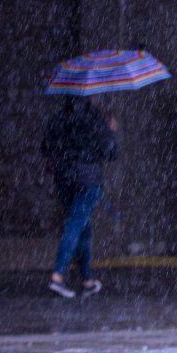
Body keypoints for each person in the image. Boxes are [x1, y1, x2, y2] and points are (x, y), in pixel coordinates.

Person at [40, 96, 118, 299]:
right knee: (75, 225)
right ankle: (58, 275)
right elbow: (111, 152)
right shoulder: (97, 118)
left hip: (64, 178)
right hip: (88, 180)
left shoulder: (59, 117)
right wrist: (110, 131)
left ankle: (87, 280)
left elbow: (45, 147)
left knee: (83, 228)